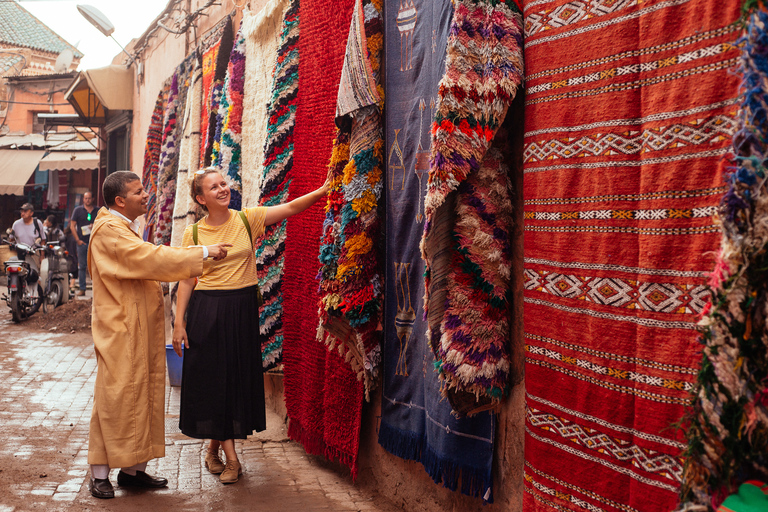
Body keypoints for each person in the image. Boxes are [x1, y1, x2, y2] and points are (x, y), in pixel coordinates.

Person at [172, 167, 329, 484]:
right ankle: (232, 460)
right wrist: (178, 322)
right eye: (213, 187)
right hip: (206, 311)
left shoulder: (248, 219)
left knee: (233, 379)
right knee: (216, 380)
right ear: (201, 199)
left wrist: (324, 190)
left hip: (241, 308)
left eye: (223, 183)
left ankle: (212, 449)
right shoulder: (194, 234)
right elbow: (187, 279)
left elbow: (291, 208)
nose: (222, 189)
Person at [86, 171, 232, 499]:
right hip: (121, 330)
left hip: (136, 329)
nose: (146, 196)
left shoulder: (124, 227)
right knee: (116, 398)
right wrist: (203, 253)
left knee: (143, 394)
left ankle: (132, 471)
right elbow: (150, 259)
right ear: (120, 200)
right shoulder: (110, 231)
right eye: (139, 192)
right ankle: (99, 473)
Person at [70, 191, 101, 296]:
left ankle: (98, 290)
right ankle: (82, 289)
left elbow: (104, 224)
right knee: (82, 266)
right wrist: (77, 240)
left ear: (93, 199)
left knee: (96, 266)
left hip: (95, 243)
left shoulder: (98, 211)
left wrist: (95, 225)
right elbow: (72, 226)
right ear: (83, 199)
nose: (87, 200)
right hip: (82, 242)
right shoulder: (78, 210)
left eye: (89, 198)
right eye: (85, 198)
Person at [10, 203, 45, 291]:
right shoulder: (16, 224)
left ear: (31, 213)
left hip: (33, 253)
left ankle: (36, 296)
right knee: (13, 271)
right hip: (20, 253)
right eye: (22, 211)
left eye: (25, 211)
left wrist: (42, 256)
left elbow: (43, 240)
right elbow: (11, 240)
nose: (23, 213)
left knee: (34, 275)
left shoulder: (38, 223)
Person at [62, 225, 78, 292]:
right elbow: (76, 250)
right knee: (74, 273)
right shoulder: (74, 239)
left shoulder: (65, 237)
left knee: (68, 272)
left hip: (66, 257)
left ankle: (68, 286)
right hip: (73, 257)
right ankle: (71, 286)